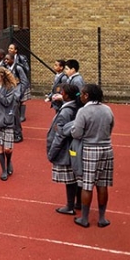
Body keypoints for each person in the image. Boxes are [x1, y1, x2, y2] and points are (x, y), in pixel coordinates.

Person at [70, 83, 115, 228]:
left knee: (87, 185)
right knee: (102, 184)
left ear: (87, 95)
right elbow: (111, 126)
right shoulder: (108, 109)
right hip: (106, 148)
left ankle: (84, 218)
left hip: (90, 149)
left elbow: (76, 132)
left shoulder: (83, 111)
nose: (80, 96)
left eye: (82, 94)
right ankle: (102, 217)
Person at [46, 83, 82, 215]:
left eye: (62, 92)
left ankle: (70, 205)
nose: (61, 93)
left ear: (66, 95)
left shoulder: (66, 112)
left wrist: (52, 152)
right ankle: (78, 203)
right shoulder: (76, 107)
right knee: (76, 176)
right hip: (74, 147)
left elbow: (60, 134)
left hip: (66, 149)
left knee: (70, 179)